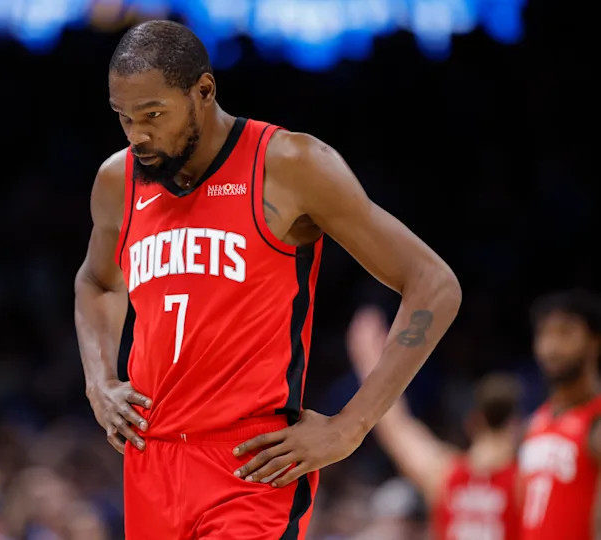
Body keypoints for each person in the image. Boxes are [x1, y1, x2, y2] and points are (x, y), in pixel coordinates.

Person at [74, 20, 462, 539]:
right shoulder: (118, 180)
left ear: (204, 91)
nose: (137, 134)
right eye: (123, 117)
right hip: (152, 460)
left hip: (252, 465)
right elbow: (97, 282)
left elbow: (433, 283)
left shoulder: (289, 164)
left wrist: (352, 426)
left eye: (153, 114)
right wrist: (99, 382)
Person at [346, 307, 521, 539]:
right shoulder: (524, 482)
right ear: (516, 426)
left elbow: (395, 424)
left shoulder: (446, 475)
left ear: (472, 422)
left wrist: (369, 360)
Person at [519, 290, 601, 539]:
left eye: (565, 332)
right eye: (544, 334)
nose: (552, 347)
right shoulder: (534, 423)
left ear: (594, 341)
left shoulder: (596, 421)